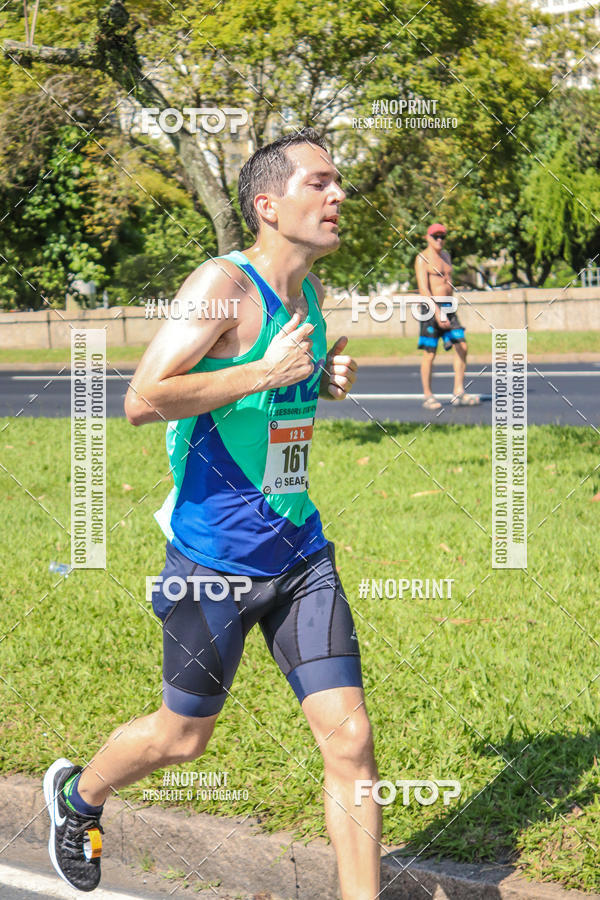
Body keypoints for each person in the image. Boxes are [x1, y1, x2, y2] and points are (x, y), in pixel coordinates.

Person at [44, 127, 382, 899]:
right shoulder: (222, 286)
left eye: (339, 184)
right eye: (320, 184)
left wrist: (317, 378)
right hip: (214, 563)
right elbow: (139, 399)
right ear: (268, 204)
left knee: (351, 740)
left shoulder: (309, 293)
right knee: (181, 738)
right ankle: (78, 794)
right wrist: (265, 368)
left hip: (299, 554)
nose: (338, 196)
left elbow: (265, 399)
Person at [415, 223, 480, 409]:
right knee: (430, 352)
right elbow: (423, 289)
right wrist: (437, 313)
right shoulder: (422, 258)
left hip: (449, 308)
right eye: (436, 236)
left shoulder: (446, 256)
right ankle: (428, 396)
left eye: (442, 236)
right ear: (427, 237)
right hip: (430, 308)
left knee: (462, 346)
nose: (439, 240)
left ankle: (459, 391)